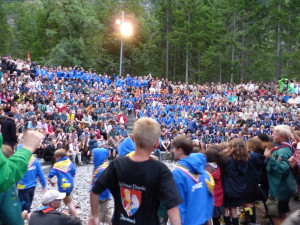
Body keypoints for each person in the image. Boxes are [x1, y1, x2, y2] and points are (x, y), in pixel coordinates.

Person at [88, 118, 182, 225]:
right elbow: (173, 207)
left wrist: (94, 216)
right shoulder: (161, 170)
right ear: (156, 144)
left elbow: (94, 191)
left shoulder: (117, 164)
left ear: (133, 139)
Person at [172, 135, 214, 225]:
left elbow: (179, 204)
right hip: (203, 218)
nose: (172, 151)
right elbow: (208, 195)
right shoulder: (200, 166)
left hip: (189, 221)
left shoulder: (177, 173)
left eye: (174, 148)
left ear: (180, 150)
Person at [264, 125, 295, 225]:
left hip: (279, 189)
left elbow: (282, 169)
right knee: (281, 214)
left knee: (275, 215)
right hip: (280, 187)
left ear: (283, 137)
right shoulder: (278, 146)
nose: (272, 135)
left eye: (275, 134)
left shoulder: (283, 151)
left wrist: (270, 158)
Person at [222, 138, 249, 225]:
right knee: (234, 210)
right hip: (238, 187)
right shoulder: (245, 159)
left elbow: (223, 171)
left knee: (225, 209)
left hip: (227, 187)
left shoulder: (228, 159)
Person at [48, 149, 78, 218]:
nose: (55, 159)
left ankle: (77, 218)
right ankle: (71, 207)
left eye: (56, 157)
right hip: (70, 185)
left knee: (68, 203)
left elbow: (50, 176)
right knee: (67, 196)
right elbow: (74, 171)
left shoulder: (57, 165)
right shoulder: (69, 162)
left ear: (59, 157)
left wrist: (51, 181)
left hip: (63, 188)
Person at [205, 148, 226, 225]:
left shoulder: (206, 168)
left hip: (210, 195)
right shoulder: (218, 167)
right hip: (218, 194)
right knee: (216, 216)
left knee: (208, 217)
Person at [91, 148, 112, 225]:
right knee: (107, 216)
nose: (91, 157)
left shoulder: (101, 170)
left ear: (99, 157)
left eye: (93, 156)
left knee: (95, 218)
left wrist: (99, 196)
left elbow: (105, 186)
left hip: (100, 198)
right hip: (102, 198)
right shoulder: (98, 167)